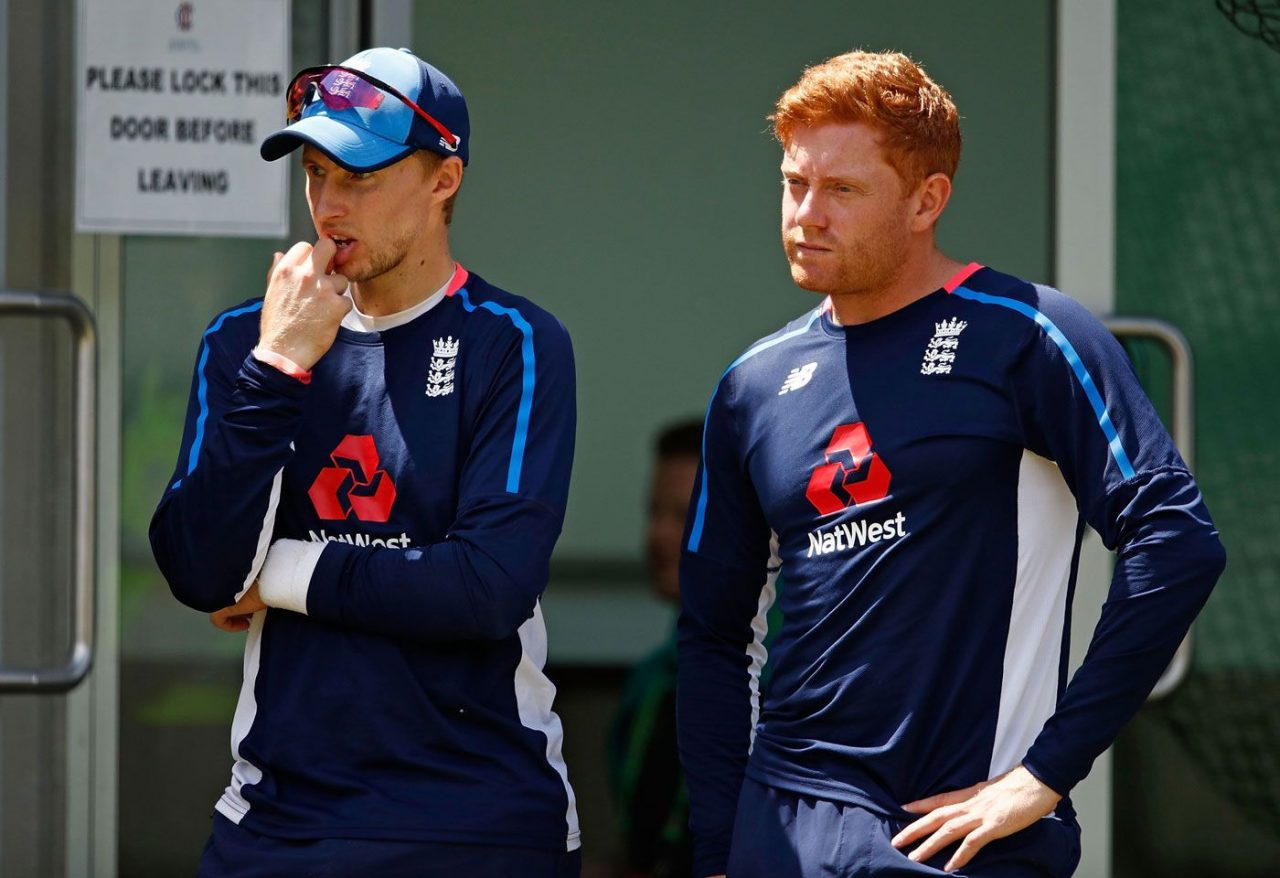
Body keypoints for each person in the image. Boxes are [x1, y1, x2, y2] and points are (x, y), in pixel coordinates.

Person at [676, 50, 1225, 878]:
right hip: (781, 831)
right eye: (795, 184)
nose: (806, 215)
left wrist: (1045, 774)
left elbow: (1177, 542)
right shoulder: (752, 384)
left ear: (928, 198)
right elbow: (713, 636)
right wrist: (722, 847)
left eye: (844, 191)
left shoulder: (1032, 334)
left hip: (960, 836)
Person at [149, 47, 580, 877]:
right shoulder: (247, 337)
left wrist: (279, 574)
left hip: (476, 818)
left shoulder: (514, 341)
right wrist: (279, 366)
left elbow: (487, 587)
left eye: (360, 176)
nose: (329, 205)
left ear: (443, 179)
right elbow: (201, 574)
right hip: (277, 818)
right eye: (315, 173)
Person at [608, 419, 703, 878]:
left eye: (683, 515)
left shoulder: (797, 680)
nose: (659, 536)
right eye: (653, 513)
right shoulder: (648, 684)